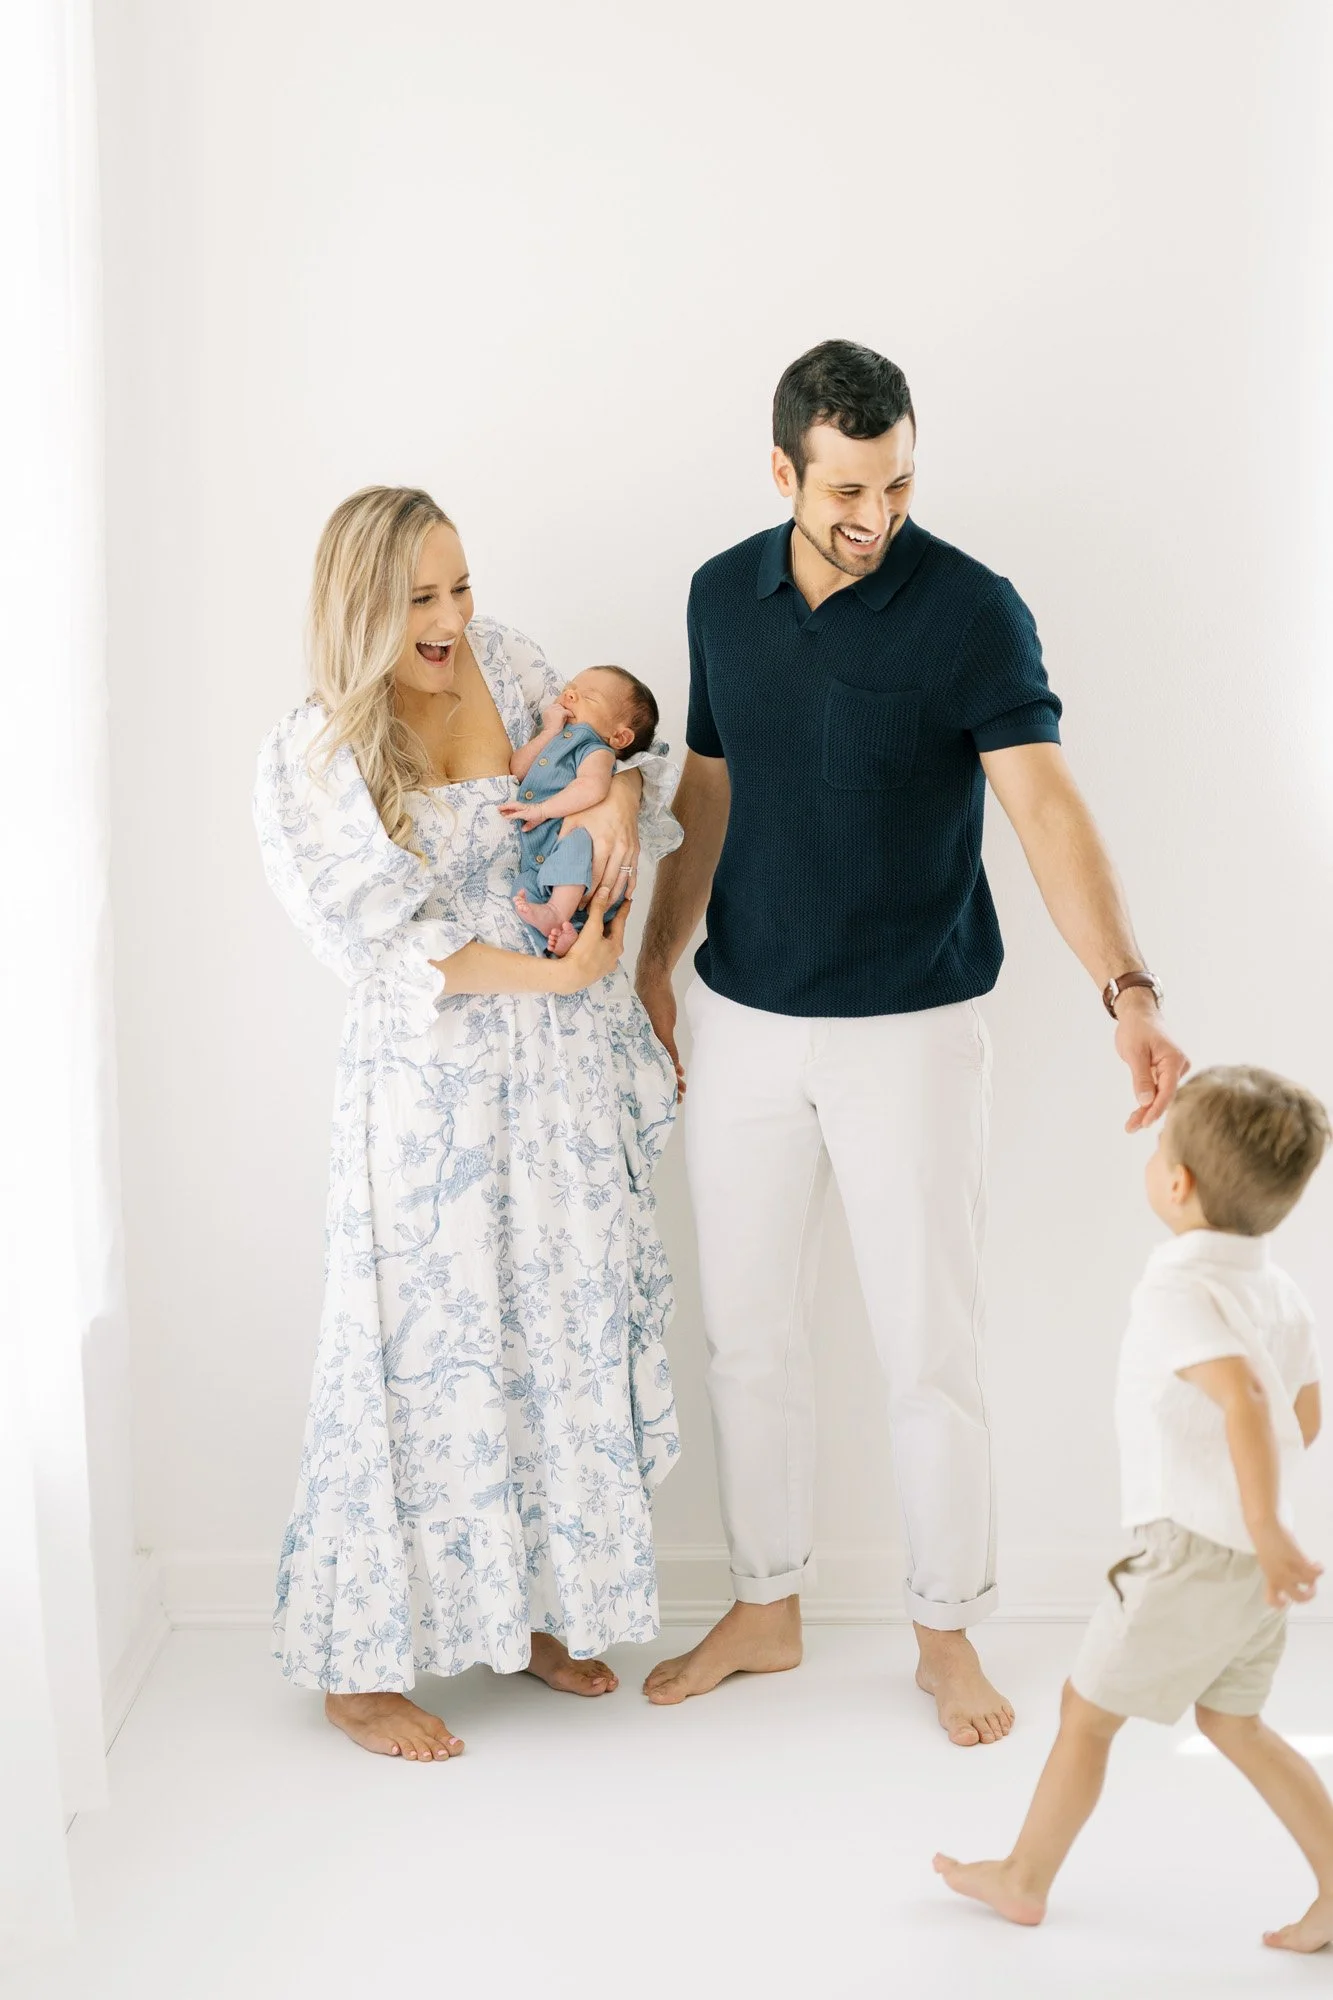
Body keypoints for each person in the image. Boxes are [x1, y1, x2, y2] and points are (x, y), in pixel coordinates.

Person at [634, 338, 1190, 1743]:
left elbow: (1045, 806)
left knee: (928, 1348)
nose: (873, 516)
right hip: (744, 1020)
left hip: (914, 1032)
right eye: (845, 491)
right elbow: (708, 787)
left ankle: (946, 1631)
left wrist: (1127, 990)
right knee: (746, 1338)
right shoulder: (718, 596)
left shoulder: (972, 610)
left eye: (894, 485)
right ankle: (765, 1605)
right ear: (782, 471)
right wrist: (653, 959)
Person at [252, 486, 682, 1760]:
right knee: (417, 1349)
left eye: (460, 584)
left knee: (549, 1326)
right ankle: (358, 1669)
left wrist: (614, 796)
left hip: (555, 1079)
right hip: (429, 1089)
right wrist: (553, 973)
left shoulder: (510, 662)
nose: (453, 616)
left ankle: (530, 1612)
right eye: (421, 598)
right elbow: (382, 948)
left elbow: (612, 765)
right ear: (361, 610)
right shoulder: (318, 748)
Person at [935, 1065, 1333, 1954]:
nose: (1151, 1161)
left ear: (1177, 1183)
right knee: (1232, 1722)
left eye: (1158, 1149)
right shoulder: (1279, 1291)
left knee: (1085, 1713)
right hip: (1246, 1566)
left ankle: (1023, 1878)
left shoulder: (1177, 1284)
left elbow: (1247, 1400)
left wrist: (1259, 1526)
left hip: (1193, 1550)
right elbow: (1302, 1416)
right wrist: (1264, 1522)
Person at [503, 666, 660, 955]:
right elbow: (517, 769)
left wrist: (542, 809)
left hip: (581, 858)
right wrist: (549, 732)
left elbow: (592, 787)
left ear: (619, 737)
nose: (570, 694)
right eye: (570, 688)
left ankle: (557, 912)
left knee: (576, 842)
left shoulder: (596, 750)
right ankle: (562, 940)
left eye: (588, 696)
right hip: (541, 860)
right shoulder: (554, 738)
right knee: (523, 891)